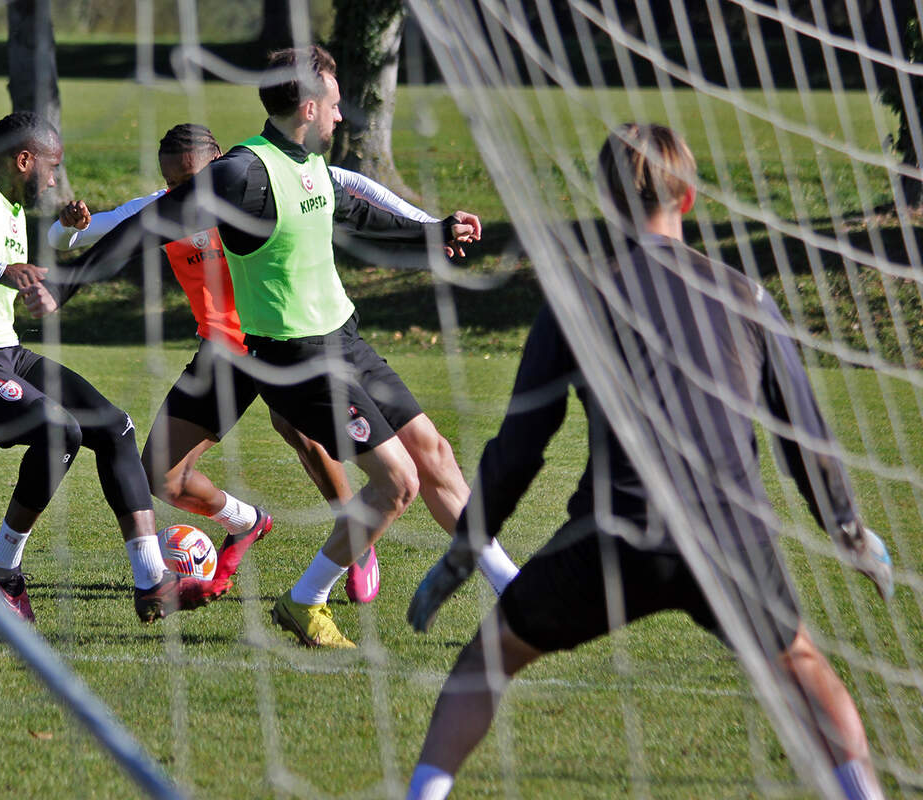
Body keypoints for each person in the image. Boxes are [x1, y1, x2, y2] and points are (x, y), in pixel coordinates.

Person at [402, 123, 894, 800]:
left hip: (615, 533)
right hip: (728, 533)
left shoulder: (578, 300)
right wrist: (849, 531)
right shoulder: (746, 297)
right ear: (686, 197)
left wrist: (463, 554)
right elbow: (802, 439)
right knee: (804, 665)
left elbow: (519, 447)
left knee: (489, 659)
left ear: (606, 199)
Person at [45, 46, 520, 648]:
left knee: (435, 456)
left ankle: (513, 588)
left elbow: (355, 212)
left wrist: (432, 232)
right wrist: (68, 281)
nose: (342, 118)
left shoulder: (308, 165)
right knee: (397, 484)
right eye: (337, 106)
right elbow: (145, 225)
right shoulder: (240, 173)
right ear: (310, 105)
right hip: (296, 358)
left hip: (344, 340)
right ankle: (306, 598)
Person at [47, 122, 446, 603]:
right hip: (221, 354)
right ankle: (246, 523)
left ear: (217, 168)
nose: (181, 192)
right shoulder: (166, 207)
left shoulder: (255, 188)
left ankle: (356, 543)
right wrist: (67, 226)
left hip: (279, 341)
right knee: (161, 476)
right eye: (172, 183)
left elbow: (353, 185)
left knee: (303, 436)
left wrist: (427, 226)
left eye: (188, 180)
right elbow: (81, 236)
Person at [0, 111, 217, 626]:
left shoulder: (10, 207)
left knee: (114, 428)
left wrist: (61, 236)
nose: (52, 180)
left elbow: (12, 263)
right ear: (23, 159)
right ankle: (1, 567)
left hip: (3, 352)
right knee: (58, 429)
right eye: (50, 168)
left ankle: (152, 580)